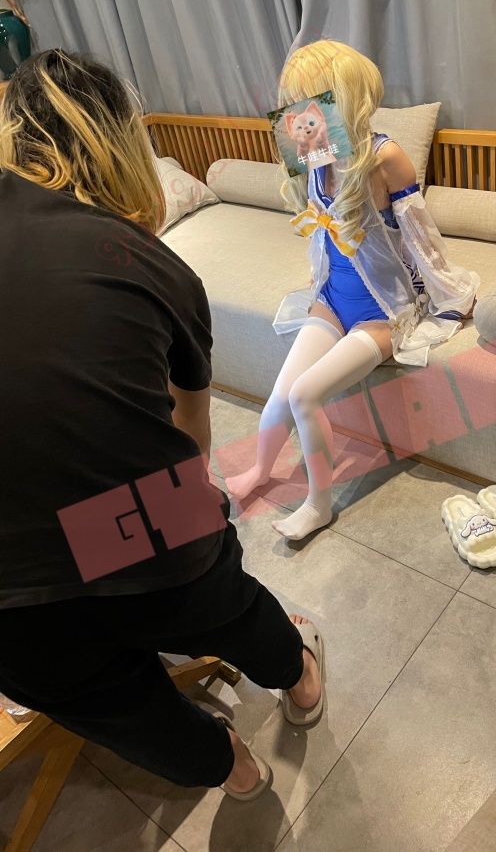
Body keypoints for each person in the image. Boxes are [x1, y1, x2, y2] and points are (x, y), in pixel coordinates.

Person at [0, 49, 323, 800]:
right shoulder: (146, 260)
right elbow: (191, 435)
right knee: (226, 605)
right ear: (120, 143)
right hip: (131, 526)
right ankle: (299, 678)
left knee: (120, 710)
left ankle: (235, 773)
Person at [227, 40, 480, 540]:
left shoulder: (384, 157)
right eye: (292, 103)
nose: (296, 115)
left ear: (340, 96)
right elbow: (320, 231)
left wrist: (449, 296)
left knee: (305, 395)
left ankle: (318, 505)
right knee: (282, 392)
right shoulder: (314, 150)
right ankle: (260, 468)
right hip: (333, 298)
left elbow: (421, 239)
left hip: (383, 310)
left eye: (308, 100)